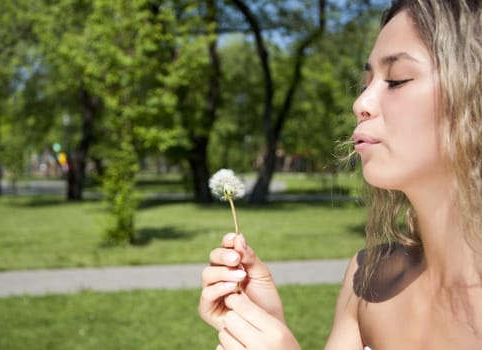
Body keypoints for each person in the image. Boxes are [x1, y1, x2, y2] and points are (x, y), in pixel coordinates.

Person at [198, 0, 482, 349]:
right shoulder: (366, 279)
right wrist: (264, 323)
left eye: (396, 80)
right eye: (366, 82)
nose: (360, 103)